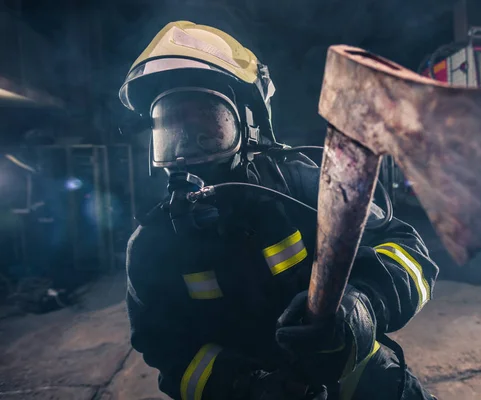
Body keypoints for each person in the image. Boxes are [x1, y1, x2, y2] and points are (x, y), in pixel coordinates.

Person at [120, 21, 439, 400]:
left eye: (208, 126)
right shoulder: (152, 246)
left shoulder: (302, 186)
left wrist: (366, 305)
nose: (187, 151)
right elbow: (167, 351)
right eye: (171, 133)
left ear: (250, 124)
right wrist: (247, 387)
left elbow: (408, 252)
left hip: (346, 369)